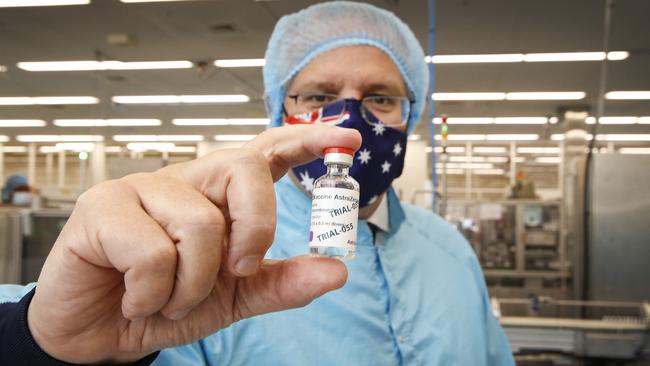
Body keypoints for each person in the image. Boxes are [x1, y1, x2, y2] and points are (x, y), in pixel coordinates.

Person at [0, 2, 514, 365]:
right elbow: (84, 333)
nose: (350, 123)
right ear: (278, 110)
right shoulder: (212, 254)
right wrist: (44, 343)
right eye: (318, 97)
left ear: (412, 115)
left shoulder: (450, 252)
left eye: (380, 98)